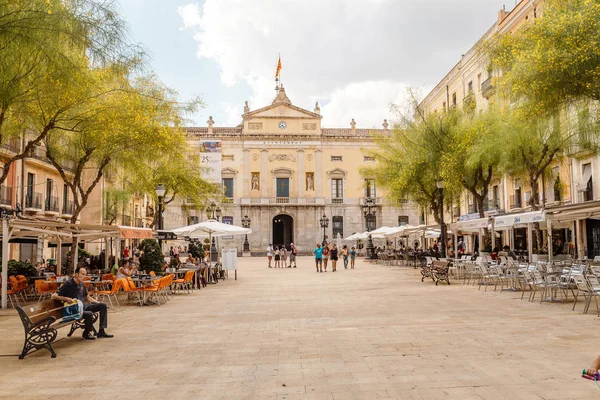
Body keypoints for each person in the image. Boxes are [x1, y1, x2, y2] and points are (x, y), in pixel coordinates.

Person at [52, 265, 113, 340]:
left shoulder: (81, 284)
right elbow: (53, 296)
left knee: (102, 305)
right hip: (73, 310)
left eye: (85, 274)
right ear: (77, 274)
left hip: (82, 307)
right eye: (82, 274)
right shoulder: (68, 284)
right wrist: (65, 298)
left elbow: (87, 297)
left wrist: (97, 302)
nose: (84, 276)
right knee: (89, 314)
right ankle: (86, 333)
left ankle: (101, 331)